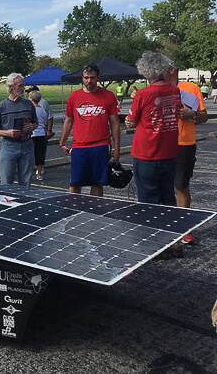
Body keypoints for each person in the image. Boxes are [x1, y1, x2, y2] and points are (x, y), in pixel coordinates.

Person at [125, 52, 181, 206]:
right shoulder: (175, 90)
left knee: (148, 199)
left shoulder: (143, 94)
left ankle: (151, 229)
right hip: (169, 152)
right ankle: (171, 228)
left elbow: (132, 120)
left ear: (145, 70)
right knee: (168, 196)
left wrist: (130, 119)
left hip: (147, 153)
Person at [164, 60, 208, 244]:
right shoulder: (156, 89)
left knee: (181, 185)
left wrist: (193, 115)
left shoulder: (191, 88)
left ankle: (183, 229)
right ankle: (164, 227)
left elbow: (204, 117)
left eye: (161, 68)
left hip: (184, 144)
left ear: (171, 69)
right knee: (161, 188)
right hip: (160, 144)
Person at [59, 64, 120, 197]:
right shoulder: (73, 97)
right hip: (79, 146)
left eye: (92, 78)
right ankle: (74, 211)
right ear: (82, 78)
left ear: (98, 78)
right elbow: (68, 121)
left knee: (97, 183)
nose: (89, 81)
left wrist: (117, 149)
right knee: (75, 184)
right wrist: (62, 142)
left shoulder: (108, 96)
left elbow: (115, 123)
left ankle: (95, 213)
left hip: (101, 146)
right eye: (86, 78)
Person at [0, 73, 38, 186]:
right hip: (9, 146)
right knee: (6, 182)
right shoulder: (1, 106)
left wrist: (32, 126)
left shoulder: (28, 104)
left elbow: (36, 123)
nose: (23, 88)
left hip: (27, 145)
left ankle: (24, 202)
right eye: (20, 86)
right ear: (11, 87)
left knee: (26, 182)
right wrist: (7, 133)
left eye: (23, 85)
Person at [29, 91, 48, 181]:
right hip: (41, 134)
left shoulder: (31, 110)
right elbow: (45, 122)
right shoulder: (43, 110)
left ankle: (28, 173)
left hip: (32, 134)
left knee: (29, 155)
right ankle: (39, 174)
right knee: (40, 155)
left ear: (32, 99)